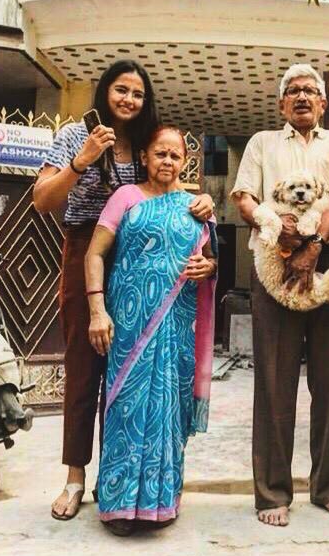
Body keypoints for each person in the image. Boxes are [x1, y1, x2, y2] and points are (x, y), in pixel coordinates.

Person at [33, 61, 213, 521]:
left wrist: (203, 201)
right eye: (121, 90)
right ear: (104, 92)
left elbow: (168, 193)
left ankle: (128, 482)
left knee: (135, 377)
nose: (129, 100)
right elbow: (43, 199)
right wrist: (83, 160)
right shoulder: (77, 135)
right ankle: (75, 479)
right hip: (86, 249)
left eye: (137, 92)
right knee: (85, 367)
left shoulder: (147, 144)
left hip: (142, 261)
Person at [231, 65, 329, 527]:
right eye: (293, 91)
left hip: (328, 263)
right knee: (273, 381)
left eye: (311, 90)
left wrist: (311, 247)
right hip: (272, 269)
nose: (303, 96)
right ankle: (271, 494)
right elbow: (243, 196)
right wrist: (274, 226)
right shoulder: (262, 143)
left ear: (325, 103)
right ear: (282, 104)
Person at [85, 126, 217, 536]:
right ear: (145, 156)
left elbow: (210, 260)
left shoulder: (197, 206)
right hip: (128, 324)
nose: (168, 162)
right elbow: (94, 254)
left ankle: (162, 500)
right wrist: (96, 309)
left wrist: (208, 268)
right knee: (126, 407)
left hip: (176, 326)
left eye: (175, 156)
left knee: (168, 410)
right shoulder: (125, 198)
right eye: (160, 153)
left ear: (185, 161)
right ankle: (120, 503)